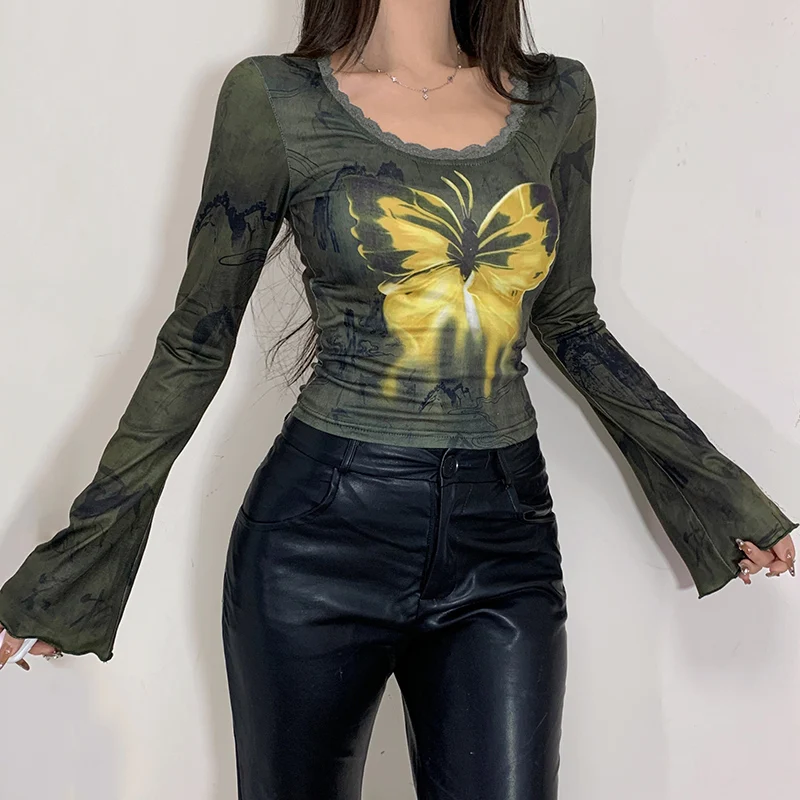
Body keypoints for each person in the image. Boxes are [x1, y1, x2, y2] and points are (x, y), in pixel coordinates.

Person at [0, 0, 796, 797]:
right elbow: (197, 341)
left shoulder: (558, 98)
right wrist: (74, 572)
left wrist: (718, 497)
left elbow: (570, 321)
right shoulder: (273, 99)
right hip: (317, 538)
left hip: (504, 541)